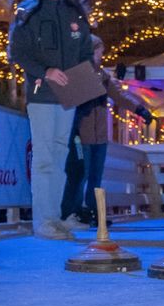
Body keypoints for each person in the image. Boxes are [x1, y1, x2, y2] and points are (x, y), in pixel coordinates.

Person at [8, 0, 93, 239]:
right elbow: (18, 52)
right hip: (41, 93)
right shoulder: (27, 15)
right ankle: (43, 221)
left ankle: (54, 217)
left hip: (68, 95)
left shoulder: (76, 15)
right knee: (44, 158)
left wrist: (85, 87)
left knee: (60, 155)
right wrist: (45, 71)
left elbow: (85, 54)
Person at [61, 35, 153, 227]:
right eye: (99, 50)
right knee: (80, 174)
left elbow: (120, 96)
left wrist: (140, 109)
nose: (102, 54)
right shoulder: (77, 73)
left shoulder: (103, 75)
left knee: (95, 175)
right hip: (81, 135)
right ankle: (73, 211)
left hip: (99, 136)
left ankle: (94, 210)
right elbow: (70, 101)